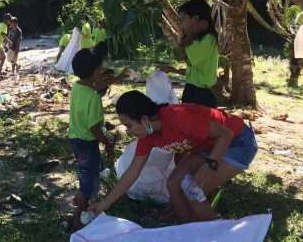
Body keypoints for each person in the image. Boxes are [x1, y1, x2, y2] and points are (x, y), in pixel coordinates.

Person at [88, 90, 258, 223]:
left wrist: (210, 165)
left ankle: (217, 229)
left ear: (145, 119)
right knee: (173, 182)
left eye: (129, 125)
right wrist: (104, 204)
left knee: (192, 189)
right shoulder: (148, 136)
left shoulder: (177, 118)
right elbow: (132, 173)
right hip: (210, 146)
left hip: (238, 141)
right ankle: (187, 226)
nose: (128, 131)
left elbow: (226, 134)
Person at [67, 47, 118, 229]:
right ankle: (77, 218)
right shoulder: (93, 98)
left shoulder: (78, 86)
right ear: (96, 72)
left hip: (75, 138)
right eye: (100, 70)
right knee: (87, 182)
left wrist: (113, 79)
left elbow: (94, 85)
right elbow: (94, 128)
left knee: (86, 172)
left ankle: (85, 206)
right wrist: (107, 141)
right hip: (88, 143)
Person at [177, 0, 220, 108]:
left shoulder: (208, 40)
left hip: (202, 93)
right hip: (192, 89)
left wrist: (186, 36)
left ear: (195, 19)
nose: (181, 24)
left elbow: (180, 55)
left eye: (183, 19)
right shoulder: (196, 39)